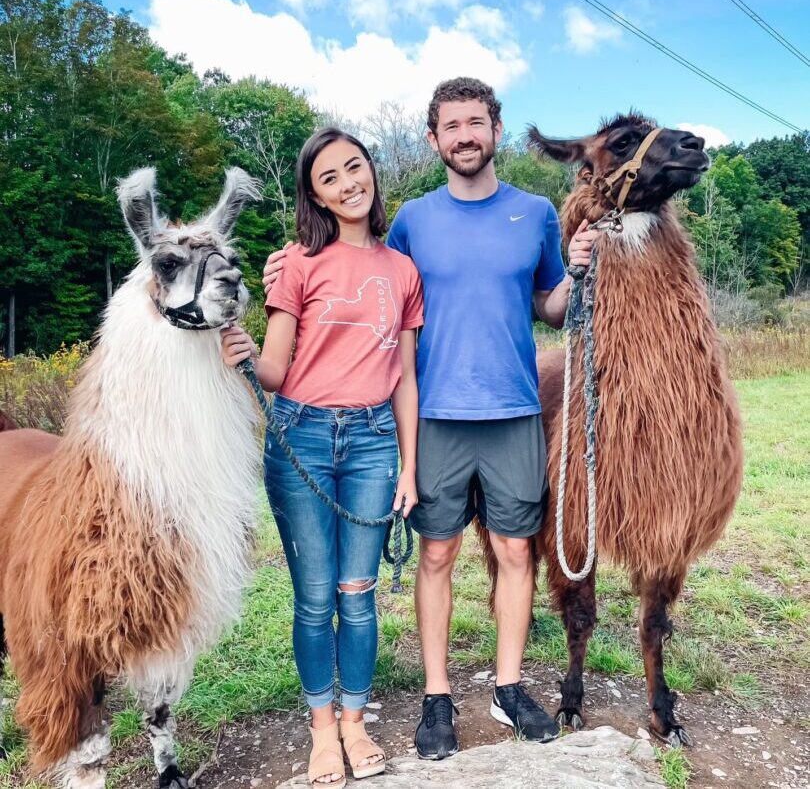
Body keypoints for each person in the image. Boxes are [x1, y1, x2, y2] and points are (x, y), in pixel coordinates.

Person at [262, 78, 597, 760]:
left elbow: (552, 306)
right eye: (453, 125)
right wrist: (287, 266)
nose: (466, 135)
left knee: (513, 551)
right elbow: (367, 281)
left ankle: (508, 685)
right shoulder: (413, 219)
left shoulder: (533, 213)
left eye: (478, 122)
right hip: (433, 415)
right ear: (433, 138)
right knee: (437, 553)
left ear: (496, 131)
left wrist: (581, 271)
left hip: (513, 408)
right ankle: (437, 696)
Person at [222, 127, 423, 788]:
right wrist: (246, 354)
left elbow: (406, 380)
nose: (347, 182)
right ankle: (320, 729)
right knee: (313, 600)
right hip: (301, 436)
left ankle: (356, 720)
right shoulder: (298, 263)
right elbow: (276, 370)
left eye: (355, 167)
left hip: (372, 444)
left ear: (372, 172)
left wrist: (410, 470)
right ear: (314, 194)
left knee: (357, 596)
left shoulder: (402, 271)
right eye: (329, 177)